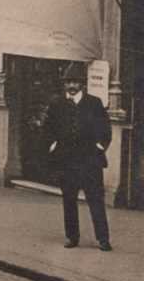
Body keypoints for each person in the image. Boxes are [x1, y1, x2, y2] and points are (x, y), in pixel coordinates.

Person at [43, 65, 112, 251]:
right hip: (67, 161)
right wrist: (53, 145)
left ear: (83, 84)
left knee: (96, 199)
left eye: (75, 82)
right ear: (64, 84)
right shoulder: (57, 104)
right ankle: (72, 236)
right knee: (69, 199)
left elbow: (106, 130)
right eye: (68, 82)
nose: (71, 85)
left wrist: (98, 147)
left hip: (90, 161)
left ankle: (103, 239)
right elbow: (47, 128)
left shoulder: (94, 103)